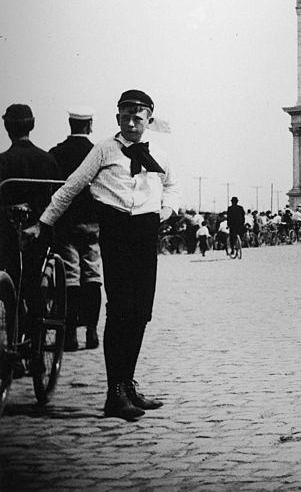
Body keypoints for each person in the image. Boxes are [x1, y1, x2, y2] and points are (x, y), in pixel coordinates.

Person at [31, 89, 180, 421]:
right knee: (120, 310)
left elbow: (172, 185)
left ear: (149, 120)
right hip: (115, 231)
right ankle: (114, 394)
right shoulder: (103, 150)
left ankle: (128, 384)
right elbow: (70, 186)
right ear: (117, 119)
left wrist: (166, 210)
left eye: (137, 117)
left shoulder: (161, 153)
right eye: (124, 117)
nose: (130, 123)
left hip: (145, 233)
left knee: (141, 312)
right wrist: (44, 223)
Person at [0, 103, 61, 373]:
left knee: (11, 285)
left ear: (6, 127)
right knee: (34, 288)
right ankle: (35, 349)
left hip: (7, 238)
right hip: (37, 237)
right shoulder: (47, 160)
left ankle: (13, 343)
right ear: (32, 124)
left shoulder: (2, 161)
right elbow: (57, 201)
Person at [48, 109, 104, 351]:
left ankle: (69, 334)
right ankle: (91, 332)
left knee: (70, 277)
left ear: (70, 124)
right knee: (92, 275)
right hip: (92, 224)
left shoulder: (56, 153)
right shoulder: (98, 152)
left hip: (65, 224)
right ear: (89, 125)